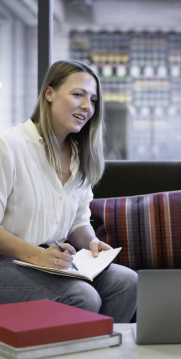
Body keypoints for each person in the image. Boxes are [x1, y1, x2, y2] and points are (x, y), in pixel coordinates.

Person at [0, 60, 137, 322]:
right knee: (82, 296)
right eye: (78, 95)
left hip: (54, 264)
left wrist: (91, 242)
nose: (88, 106)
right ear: (49, 94)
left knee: (127, 282)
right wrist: (39, 256)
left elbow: (77, 221)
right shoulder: (8, 147)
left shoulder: (79, 156)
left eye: (93, 100)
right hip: (8, 263)